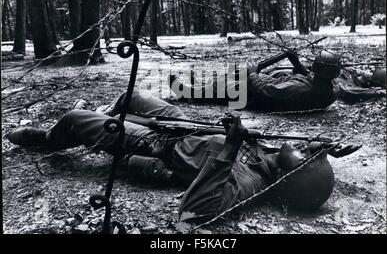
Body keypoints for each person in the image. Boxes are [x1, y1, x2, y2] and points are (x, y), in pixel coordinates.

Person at [6, 90, 361, 224]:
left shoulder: (250, 183)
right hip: (183, 125)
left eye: (307, 154)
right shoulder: (275, 156)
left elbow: (196, 213)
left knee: (73, 119)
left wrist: (230, 149)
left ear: (289, 175)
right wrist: (326, 147)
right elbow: (306, 156)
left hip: (156, 143)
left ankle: (50, 138)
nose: (308, 147)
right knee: (132, 97)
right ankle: (111, 114)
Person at [169, 50, 342, 112]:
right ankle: (201, 87)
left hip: (260, 97)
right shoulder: (331, 89)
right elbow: (311, 78)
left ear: (317, 69)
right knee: (235, 75)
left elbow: (265, 93)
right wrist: (295, 62)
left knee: (233, 85)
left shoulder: (298, 89)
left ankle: (187, 93)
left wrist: (253, 74)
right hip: (276, 85)